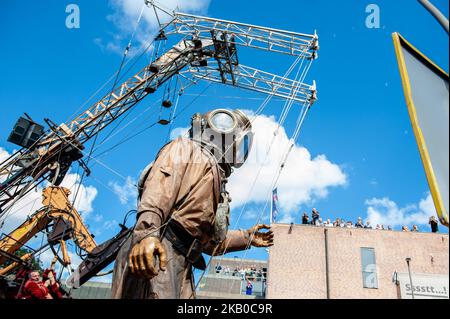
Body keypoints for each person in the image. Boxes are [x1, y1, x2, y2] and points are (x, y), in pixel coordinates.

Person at [112, 109, 274, 299]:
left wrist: (247, 238)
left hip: (180, 262)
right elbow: (159, 190)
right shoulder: (186, 149)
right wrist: (147, 235)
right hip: (158, 250)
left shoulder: (217, 178)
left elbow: (207, 242)